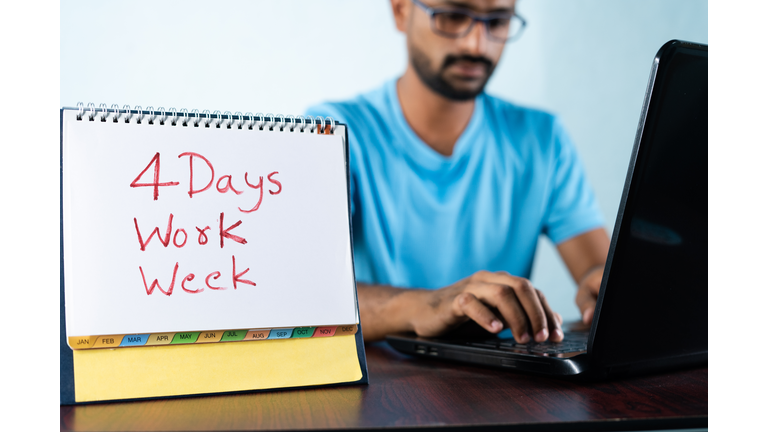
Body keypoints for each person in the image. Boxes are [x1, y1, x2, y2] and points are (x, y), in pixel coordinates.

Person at [306, 0, 610, 343]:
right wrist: (429, 305)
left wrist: (602, 287)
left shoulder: (542, 138)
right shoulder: (330, 132)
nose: (475, 44)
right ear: (401, 11)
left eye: (497, 21)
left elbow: (597, 272)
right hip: (380, 384)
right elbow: (308, 291)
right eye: (452, 16)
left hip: (503, 384)